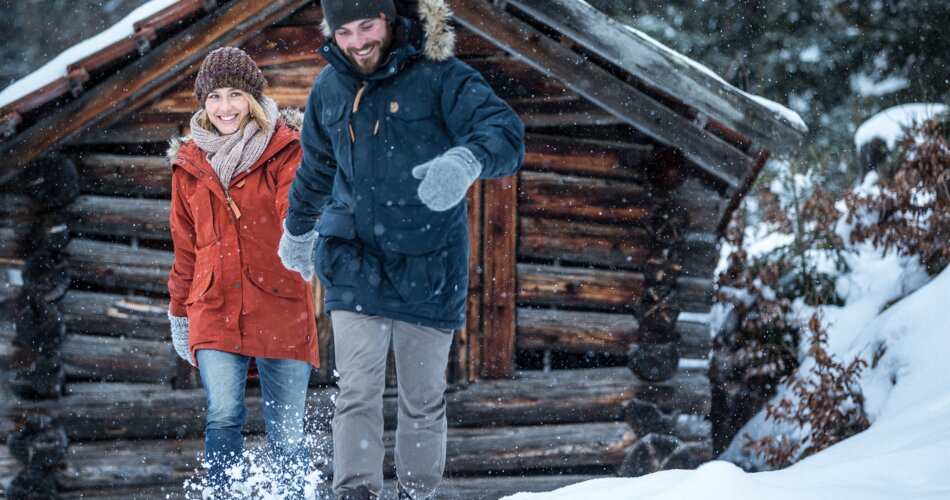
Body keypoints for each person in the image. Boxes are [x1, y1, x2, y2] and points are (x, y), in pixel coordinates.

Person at [277, 0, 525, 498]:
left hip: (429, 265)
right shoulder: (329, 87)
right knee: (357, 392)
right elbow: (317, 168)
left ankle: (418, 492)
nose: (357, 41)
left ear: (390, 20)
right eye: (344, 31)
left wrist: (465, 160)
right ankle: (357, 491)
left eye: (367, 25)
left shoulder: (440, 75)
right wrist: (298, 229)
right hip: (353, 261)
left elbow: (504, 131)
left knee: (422, 399)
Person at [166, 47, 319, 496]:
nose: (225, 107)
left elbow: (297, 207)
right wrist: (179, 311)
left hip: (280, 304)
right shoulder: (189, 166)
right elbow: (186, 250)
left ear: (252, 98)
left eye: (235, 94)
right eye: (214, 96)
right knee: (223, 416)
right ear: (203, 103)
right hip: (213, 306)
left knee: (287, 433)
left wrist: (303, 234)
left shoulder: (285, 150)